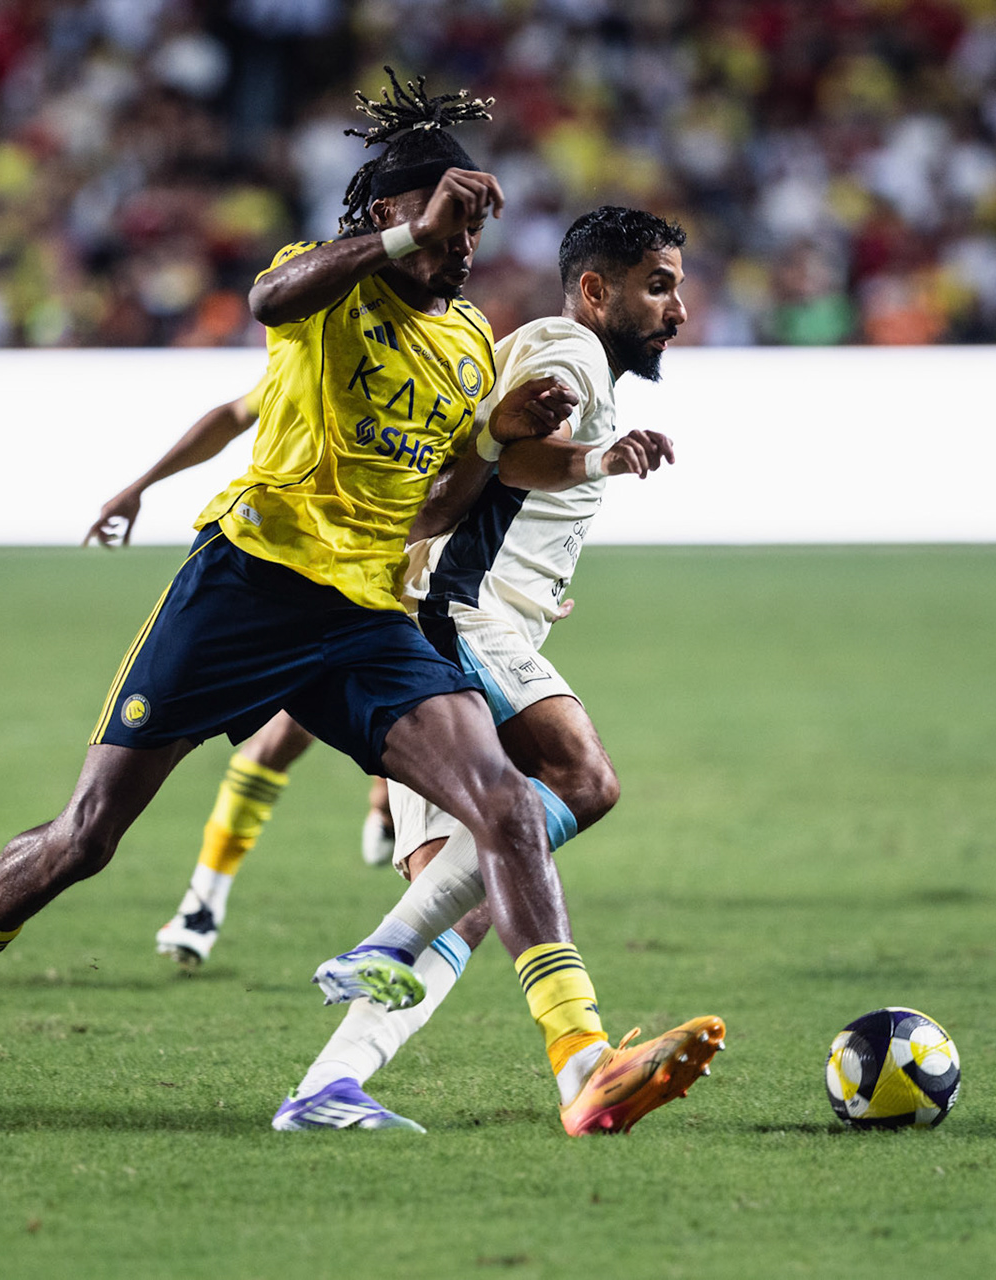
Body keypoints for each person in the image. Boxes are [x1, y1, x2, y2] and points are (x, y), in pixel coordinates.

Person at [0, 71, 723, 1138]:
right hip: (248, 585)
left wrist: (501, 439)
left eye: (474, 228)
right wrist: (406, 244)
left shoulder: (465, 343)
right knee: (87, 835)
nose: (465, 248)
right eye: (450, 223)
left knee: (508, 803)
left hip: (364, 614)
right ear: (388, 218)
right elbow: (267, 303)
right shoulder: (330, 290)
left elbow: (436, 506)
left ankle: (582, 1060)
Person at [259, 205, 692, 1132]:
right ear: (593, 290)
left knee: (469, 890)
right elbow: (492, 452)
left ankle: (325, 1088)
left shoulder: (577, 361)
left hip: (461, 614)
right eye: (658, 286)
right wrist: (596, 460)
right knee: (582, 776)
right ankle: (568, 1056)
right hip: (462, 612)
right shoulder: (568, 353)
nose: (678, 310)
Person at [80, 378, 399, 970]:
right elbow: (232, 413)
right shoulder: (319, 356)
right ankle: (203, 905)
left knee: (433, 756)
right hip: (288, 587)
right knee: (273, 746)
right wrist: (141, 486)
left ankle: (389, 818)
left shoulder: (430, 377)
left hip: (381, 591)